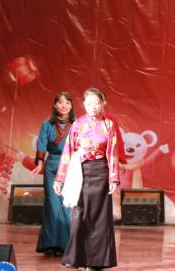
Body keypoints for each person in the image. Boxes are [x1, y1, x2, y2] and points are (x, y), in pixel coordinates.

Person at [54, 87, 123, 271]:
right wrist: (60, 179)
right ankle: (76, 258)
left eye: (97, 103)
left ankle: (95, 262)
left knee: (99, 219)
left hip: (101, 173)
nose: (93, 107)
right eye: (89, 103)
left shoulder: (108, 125)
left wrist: (113, 179)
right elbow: (67, 151)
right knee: (78, 217)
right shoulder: (78, 124)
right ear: (84, 104)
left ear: (103, 103)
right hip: (80, 173)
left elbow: (112, 152)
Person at [31, 91, 74, 258]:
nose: (64, 105)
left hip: (70, 166)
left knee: (66, 206)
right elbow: (42, 144)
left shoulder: (77, 124)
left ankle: (65, 245)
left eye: (67, 102)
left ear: (71, 106)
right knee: (52, 205)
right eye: (60, 102)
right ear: (55, 105)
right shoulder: (47, 124)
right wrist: (40, 163)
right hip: (51, 166)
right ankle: (50, 244)